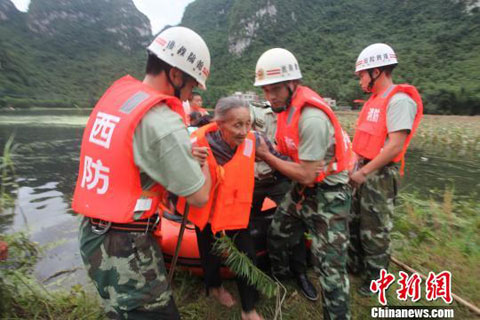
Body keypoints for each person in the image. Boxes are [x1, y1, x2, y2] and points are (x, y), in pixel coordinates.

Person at [72, 26, 213, 319]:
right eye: (191, 86)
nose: (190, 95)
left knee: (120, 310)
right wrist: (205, 161)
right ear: (175, 75)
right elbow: (199, 196)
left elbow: (134, 159)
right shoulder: (161, 121)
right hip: (125, 246)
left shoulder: (122, 97)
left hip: (93, 233)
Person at [254, 48, 354, 320]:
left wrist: (265, 156)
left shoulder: (310, 117)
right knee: (277, 233)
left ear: (292, 84)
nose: (270, 96)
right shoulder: (283, 110)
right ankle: (282, 279)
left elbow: (307, 174)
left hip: (330, 193)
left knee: (330, 269)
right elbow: (288, 151)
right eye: (265, 90)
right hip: (304, 186)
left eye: (275, 89)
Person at [176, 96, 287, 320]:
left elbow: (278, 158)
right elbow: (170, 165)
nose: (244, 131)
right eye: (237, 125)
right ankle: (214, 287)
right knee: (209, 253)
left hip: (235, 211)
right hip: (205, 211)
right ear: (219, 124)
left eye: (248, 123)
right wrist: (187, 158)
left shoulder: (254, 140)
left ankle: (248, 309)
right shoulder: (195, 141)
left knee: (247, 256)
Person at [348, 43, 423, 296]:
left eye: (362, 75)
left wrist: (364, 172)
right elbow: (363, 141)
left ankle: (377, 279)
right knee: (356, 221)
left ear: (376, 72)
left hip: (379, 174)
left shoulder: (399, 101)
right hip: (363, 168)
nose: (360, 81)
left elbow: (394, 146)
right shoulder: (373, 102)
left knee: (375, 228)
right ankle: (357, 265)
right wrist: (354, 166)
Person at [250, 103, 318, 301]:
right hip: (252, 179)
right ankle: (255, 273)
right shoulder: (253, 111)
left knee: (294, 224)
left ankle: (300, 273)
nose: (272, 94)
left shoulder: (298, 117)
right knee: (245, 226)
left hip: (279, 177)